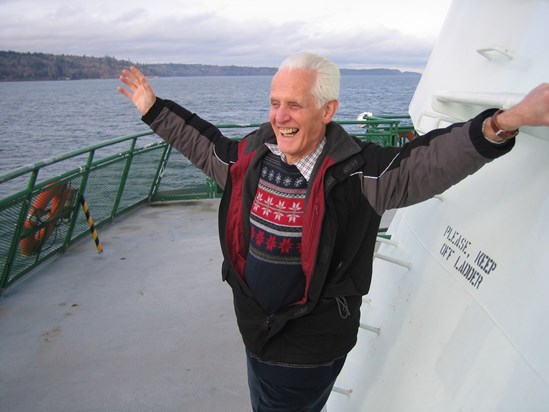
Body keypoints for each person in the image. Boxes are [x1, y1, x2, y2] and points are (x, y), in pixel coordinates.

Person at [118, 52, 549, 411]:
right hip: (256, 329)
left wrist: (503, 121)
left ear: (327, 110)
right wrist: (153, 109)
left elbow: (429, 162)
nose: (279, 117)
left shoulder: (359, 173)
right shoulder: (252, 156)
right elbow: (203, 143)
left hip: (308, 348)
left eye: (294, 105)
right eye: (274, 102)